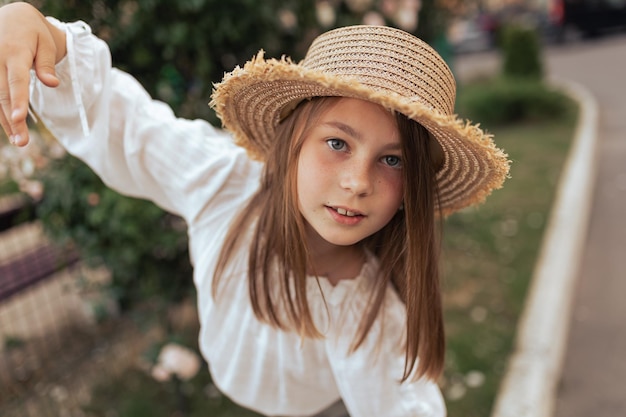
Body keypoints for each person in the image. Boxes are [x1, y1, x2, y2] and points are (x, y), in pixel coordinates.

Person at [0, 2, 509, 417]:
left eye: (392, 159)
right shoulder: (225, 181)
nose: (357, 183)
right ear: (292, 142)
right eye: (337, 143)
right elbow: (129, 128)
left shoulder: (369, 310)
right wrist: (40, 31)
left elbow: (403, 401)